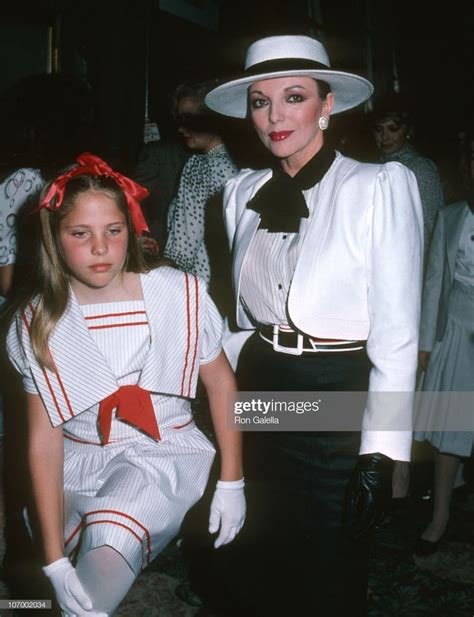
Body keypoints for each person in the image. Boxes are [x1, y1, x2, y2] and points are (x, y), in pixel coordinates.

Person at [204, 35, 423, 616]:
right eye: (259, 101)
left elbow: (398, 336)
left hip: (335, 390)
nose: (275, 116)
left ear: (327, 105)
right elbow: (235, 319)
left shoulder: (378, 187)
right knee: (257, 554)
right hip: (260, 383)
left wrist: (382, 451)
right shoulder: (239, 192)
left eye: (293, 97)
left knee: (328, 563)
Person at [6, 153, 245, 616]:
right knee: (47, 591)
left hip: (158, 455)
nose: (100, 248)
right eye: (80, 234)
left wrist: (232, 480)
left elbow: (221, 383)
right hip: (78, 459)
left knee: (97, 585)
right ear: (54, 239)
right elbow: (44, 439)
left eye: (113, 231)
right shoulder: (38, 320)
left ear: (130, 229)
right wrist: (53, 559)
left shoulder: (180, 294)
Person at [413, 132, 474, 557]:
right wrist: (425, 342)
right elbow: (434, 282)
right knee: (449, 428)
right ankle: (440, 516)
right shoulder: (452, 216)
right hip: (455, 331)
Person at [164, 81, 238, 287]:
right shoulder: (237, 164)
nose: (181, 128)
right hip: (227, 285)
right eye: (179, 119)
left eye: (190, 119)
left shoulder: (199, 167)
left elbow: (185, 245)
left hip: (197, 285)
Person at [370, 94, 444, 261]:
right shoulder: (372, 166)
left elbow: (433, 230)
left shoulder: (421, 168)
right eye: (378, 129)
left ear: (408, 131)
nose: (385, 137)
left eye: (393, 129)